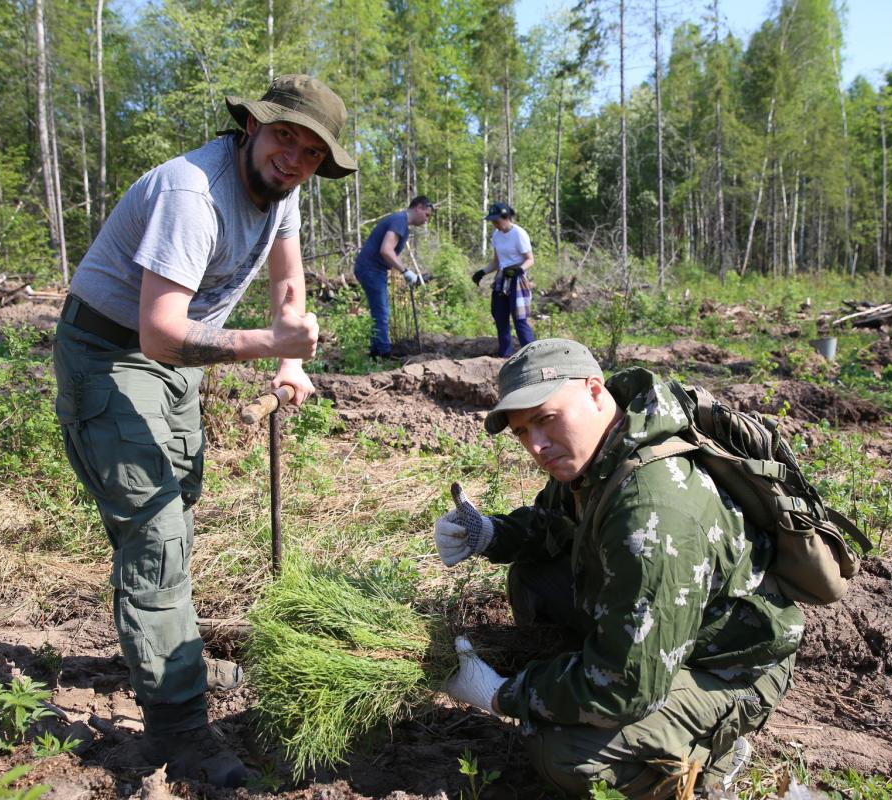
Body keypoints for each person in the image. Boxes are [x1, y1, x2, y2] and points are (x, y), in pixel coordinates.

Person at [52, 74, 357, 787]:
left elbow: (288, 284)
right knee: (154, 530)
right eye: (286, 137)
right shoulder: (191, 195)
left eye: (313, 152)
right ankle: (179, 729)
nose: (295, 159)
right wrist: (264, 346)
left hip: (176, 360)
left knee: (175, 505)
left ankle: (173, 654)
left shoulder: (285, 189)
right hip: (111, 353)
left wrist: (291, 356)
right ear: (251, 126)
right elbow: (159, 333)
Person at [433, 339, 801, 797]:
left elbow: (627, 686)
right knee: (532, 576)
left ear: (594, 391)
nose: (537, 445)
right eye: (523, 432)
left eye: (545, 420)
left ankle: (710, 756)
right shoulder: (607, 448)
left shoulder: (653, 512)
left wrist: (502, 695)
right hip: (666, 631)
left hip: (728, 667)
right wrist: (491, 533)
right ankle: (590, 671)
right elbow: (556, 522)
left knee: (563, 753)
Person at [353, 196, 435, 358]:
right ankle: (383, 353)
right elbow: (386, 250)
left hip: (373, 269)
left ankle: (376, 352)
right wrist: (405, 271)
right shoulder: (399, 221)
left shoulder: (400, 221)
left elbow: (387, 252)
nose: (427, 220)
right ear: (418, 207)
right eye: (427, 215)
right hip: (371, 269)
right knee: (382, 312)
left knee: (380, 311)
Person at [471, 202, 535, 357]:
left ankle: (533, 355)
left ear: (506, 217)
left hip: (518, 279)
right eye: (492, 221)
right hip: (502, 277)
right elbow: (497, 262)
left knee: (519, 320)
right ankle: (505, 355)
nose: (495, 224)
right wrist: (482, 272)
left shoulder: (519, 234)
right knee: (500, 316)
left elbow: (530, 259)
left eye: (497, 221)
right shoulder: (496, 235)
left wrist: (519, 269)